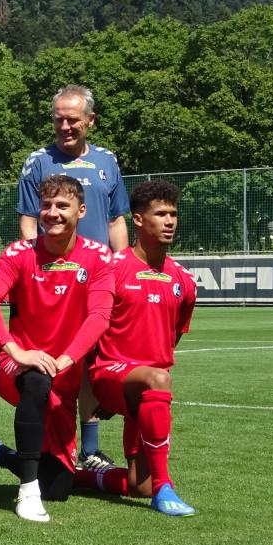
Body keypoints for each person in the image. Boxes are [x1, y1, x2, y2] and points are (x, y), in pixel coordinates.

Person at [0, 174, 114, 522]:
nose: (52, 213)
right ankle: (27, 493)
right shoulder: (19, 254)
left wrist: (66, 360)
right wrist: (15, 350)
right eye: (46, 205)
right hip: (15, 367)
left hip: (63, 375)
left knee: (60, 487)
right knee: (35, 378)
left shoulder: (98, 257)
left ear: (81, 211)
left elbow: (99, 317)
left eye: (62, 206)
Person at [17, 84, 129, 472]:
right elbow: (29, 219)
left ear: (90, 121)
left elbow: (117, 220)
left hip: (96, 277)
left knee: (91, 360)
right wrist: (38, 269)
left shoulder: (107, 161)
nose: (65, 126)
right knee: (50, 361)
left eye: (72, 120)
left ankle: (91, 448)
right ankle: (49, 442)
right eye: (58, 119)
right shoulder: (37, 161)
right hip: (51, 279)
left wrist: (122, 267)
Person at [78, 180, 197, 516]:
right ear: (139, 220)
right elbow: (91, 330)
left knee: (136, 486)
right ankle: (165, 488)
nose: (170, 221)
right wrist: (106, 391)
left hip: (146, 387)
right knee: (158, 379)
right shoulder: (111, 270)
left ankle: (77, 477)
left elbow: (175, 336)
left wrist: (137, 382)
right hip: (109, 374)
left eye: (173, 214)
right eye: (160, 214)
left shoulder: (184, 281)